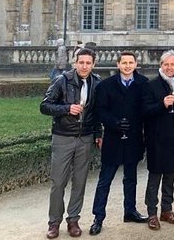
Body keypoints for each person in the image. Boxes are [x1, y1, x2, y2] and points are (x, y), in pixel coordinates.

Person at [40, 48, 102, 239]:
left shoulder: (97, 83)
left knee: (80, 182)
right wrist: (67, 108)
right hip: (63, 136)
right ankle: (54, 222)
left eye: (88, 63)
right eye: (81, 62)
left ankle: (73, 219)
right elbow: (44, 106)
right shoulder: (62, 80)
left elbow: (97, 113)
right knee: (58, 182)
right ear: (75, 63)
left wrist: (98, 133)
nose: (84, 66)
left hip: (85, 138)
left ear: (93, 64)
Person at [88, 51, 149, 235]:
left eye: (131, 62)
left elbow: (145, 109)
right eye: (124, 63)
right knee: (105, 180)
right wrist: (114, 123)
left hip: (134, 137)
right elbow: (100, 110)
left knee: (131, 178)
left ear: (136, 64)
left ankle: (129, 211)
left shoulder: (143, 83)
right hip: (113, 139)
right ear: (118, 64)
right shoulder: (106, 85)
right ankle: (98, 217)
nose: (128, 66)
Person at [141, 50, 174, 230]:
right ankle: (152, 213)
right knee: (155, 177)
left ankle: (167, 210)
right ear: (161, 66)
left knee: (170, 176)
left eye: (172, 64)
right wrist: (162, 104)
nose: (169, 67)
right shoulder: (151, 84)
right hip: (157, 138)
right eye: (166, 64)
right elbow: (144, 111)